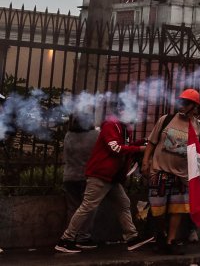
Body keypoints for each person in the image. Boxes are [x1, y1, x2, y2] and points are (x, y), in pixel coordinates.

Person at [56, 100, 152, 253]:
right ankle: (66, 239)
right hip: (101, 175)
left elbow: (125, 146)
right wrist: (140, 148)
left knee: (123, 203)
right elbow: (115, 147)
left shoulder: (123, 128)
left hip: (112, 176)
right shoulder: (110, 125)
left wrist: (143, 142)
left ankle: (132, 238)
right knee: (88, 206)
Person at [141, 88, 200, 255]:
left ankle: (170, 240)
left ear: (194, 107)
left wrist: (196, 157)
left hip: (182, 176)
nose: (182, 105)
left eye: (186, 103)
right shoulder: (166, 120)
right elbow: (152, 142)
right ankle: (161, 235)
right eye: (181, 101)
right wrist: (145, 162)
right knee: (158, 208)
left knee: (177, 210)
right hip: (160, 172)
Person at [61, 115, 100, 249]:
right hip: (86, 176)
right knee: (89, 208)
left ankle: (71, 236)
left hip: (69, 176)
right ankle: (83, 237)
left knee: (73, 208)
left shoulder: (68, 135)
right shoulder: (95, 135)